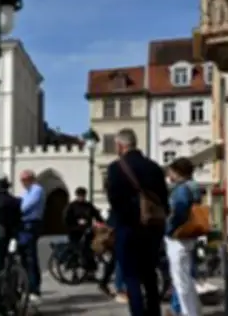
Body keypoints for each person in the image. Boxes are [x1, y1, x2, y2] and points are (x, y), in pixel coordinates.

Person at [106, 128, 169, 316]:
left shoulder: (116, 168)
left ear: (120, 145)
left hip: (128, 228)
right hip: (153, 228)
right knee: (150, 275)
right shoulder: (154, 167)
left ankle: (138, 313)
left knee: (131, 277)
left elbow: (114, 200)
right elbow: (164, 199)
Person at [164, 158, 202, 316]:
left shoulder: (181, 190)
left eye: (171, 171)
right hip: (189, 236)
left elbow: (178, 213)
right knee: (187, 279)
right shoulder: (194, 187)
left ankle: (188, 312)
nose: (169, 174)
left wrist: (167, 229)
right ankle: (193, 311)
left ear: (178, 172)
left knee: (180, 280)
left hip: (178, 238)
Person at [18, 169, 46, 303]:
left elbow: (26, 207)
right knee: (24, 256)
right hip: (25, 224)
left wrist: (17, 211)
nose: (22, 183)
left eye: (24, 180)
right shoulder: (26, 192)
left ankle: (35, 288)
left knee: (30, 256)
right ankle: (26, 285)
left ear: (30, 179)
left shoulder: (37, 190)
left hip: (32, 224)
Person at [63, 187, 104, 274]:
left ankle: (90, 271)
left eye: (83, 195)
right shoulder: (72, 206)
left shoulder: (88, 206)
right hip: (75, 231)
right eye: (80, 195)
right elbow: (66, 219)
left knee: (89, 250)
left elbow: (96, 215)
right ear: (77, 195)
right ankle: (74, 271)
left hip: (87, 231)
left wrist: (102, 223)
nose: (81, 197)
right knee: (76, 250)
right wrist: (75, 225)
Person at [0, 177, 22, 271]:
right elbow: (19, 217)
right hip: (13, 232)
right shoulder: (15, 200)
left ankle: (0, 277)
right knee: (11, 254)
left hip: (0, 232)